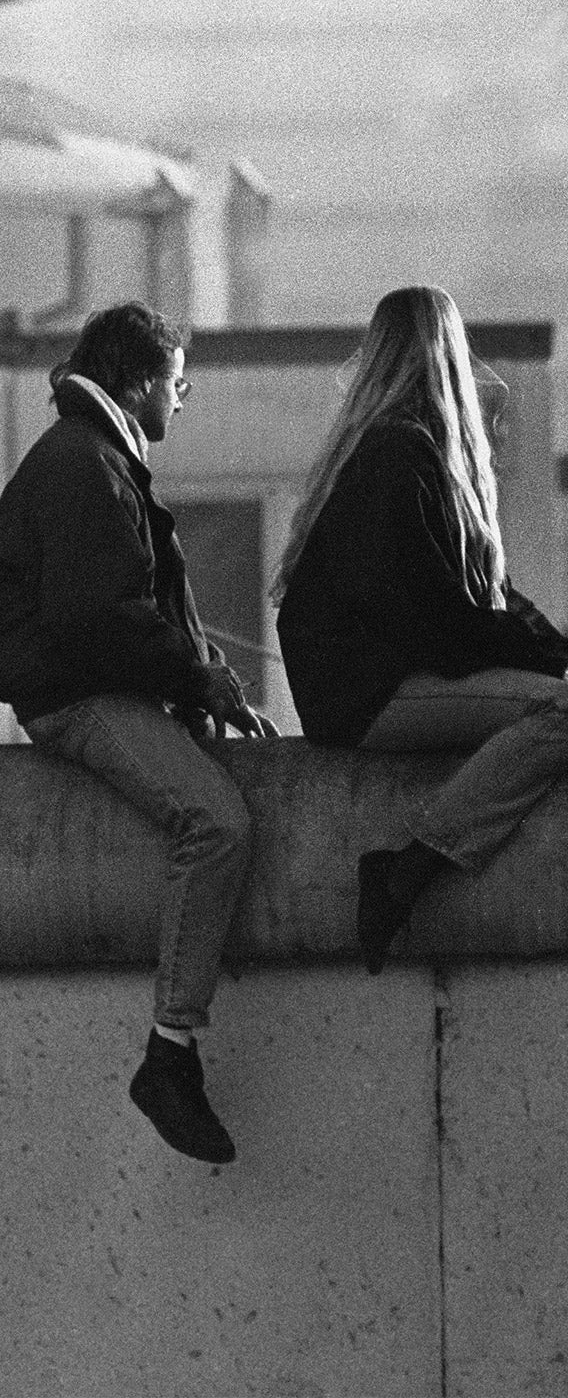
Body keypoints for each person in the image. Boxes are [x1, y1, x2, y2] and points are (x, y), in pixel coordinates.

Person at [0, 301, 276, 1167]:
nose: (184, 399)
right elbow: (103, 618)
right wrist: (200, 676)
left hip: (78, 687)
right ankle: (169, 1053)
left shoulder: (83, 453)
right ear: (138, 384)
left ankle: (173, 1056)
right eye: (177, 385)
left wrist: (193, 676)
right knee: (216, 822)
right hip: (77, 700)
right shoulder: (86, 464)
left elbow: (115, 613)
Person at [275, 285, 568, 973]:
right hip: (369, 697)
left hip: (367, 687)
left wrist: (550, 649)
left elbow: (477, 602)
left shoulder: (388, 450)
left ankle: (409, 868)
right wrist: (550, 661)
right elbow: (442, 619)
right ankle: (410, 868)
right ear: (446, 356)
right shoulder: (398, 455)